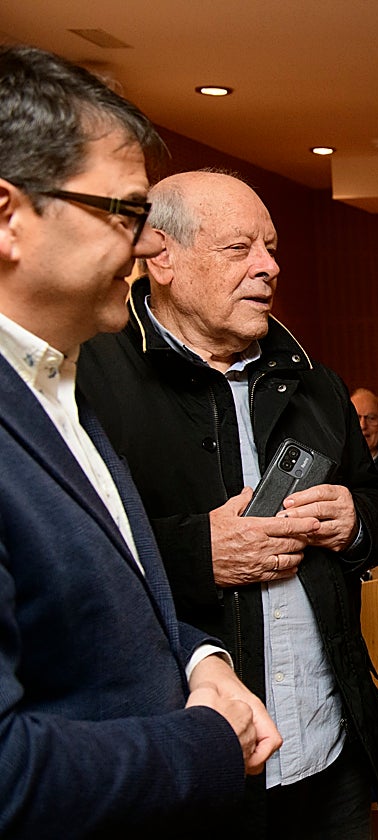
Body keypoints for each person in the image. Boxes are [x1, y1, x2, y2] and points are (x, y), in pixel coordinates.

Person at [0, 45, 280, 837]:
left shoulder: (59, 389)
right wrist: (205, 742)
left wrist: (201, 661)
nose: (148, 247)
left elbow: (90, 616)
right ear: (8, 218)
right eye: (123, 213)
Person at [78, 170, 378, 838]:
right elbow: (72, 564)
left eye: (272, 247)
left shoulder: (315, 382)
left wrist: (354, 517)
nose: (269, 267)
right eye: (239, 249)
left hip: (330, 754)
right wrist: (200, 553)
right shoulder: (91, 379)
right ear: (160, 257)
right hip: (194, 761)